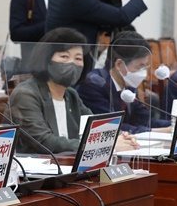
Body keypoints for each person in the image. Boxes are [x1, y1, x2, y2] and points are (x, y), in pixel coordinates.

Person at [8, 27, 139, 153]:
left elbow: (96, 126)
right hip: (34, 172)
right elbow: (44, 141)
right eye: (64, 57)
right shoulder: (26, 94)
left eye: (78, 58)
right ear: (46, 60)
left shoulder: (70, 95)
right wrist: (108, 144)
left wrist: (121, 136)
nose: (72, 63)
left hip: (67, 165)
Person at [77, 31, 171, 134]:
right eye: (139, 66)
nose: (144, 73)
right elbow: (110, 126)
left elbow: (143, 119)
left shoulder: (129, 84)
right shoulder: (94, 84)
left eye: (145, 66)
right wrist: (157, 131)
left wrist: (173, 125)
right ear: (119, 64)